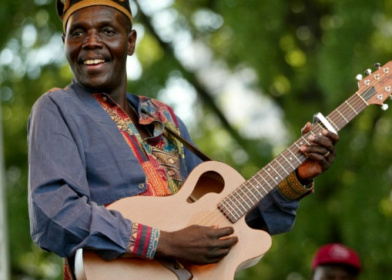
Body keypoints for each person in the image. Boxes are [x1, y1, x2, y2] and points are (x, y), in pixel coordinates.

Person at [27, 0, 339, 279]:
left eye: (107, 31)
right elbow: (55, 214)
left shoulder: (164, 117)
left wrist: (296, 177)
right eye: (77, 33)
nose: (91, 43)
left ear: (131, 41)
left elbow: (226, 220)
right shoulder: (57, 108)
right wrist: (165, 243)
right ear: (64, 42)